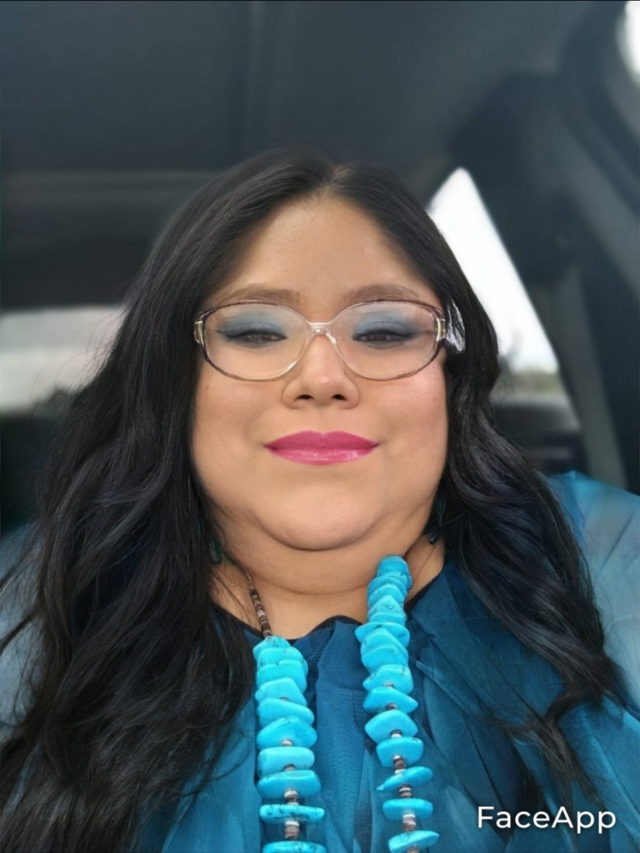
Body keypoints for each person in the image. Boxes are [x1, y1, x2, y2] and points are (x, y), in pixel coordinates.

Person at [0, 148, 638, 853]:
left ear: (448, 375)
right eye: (254, 330)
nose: (323, 376)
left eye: (385, 330)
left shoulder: (601, 556)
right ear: (174, 382)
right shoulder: (39, 609)